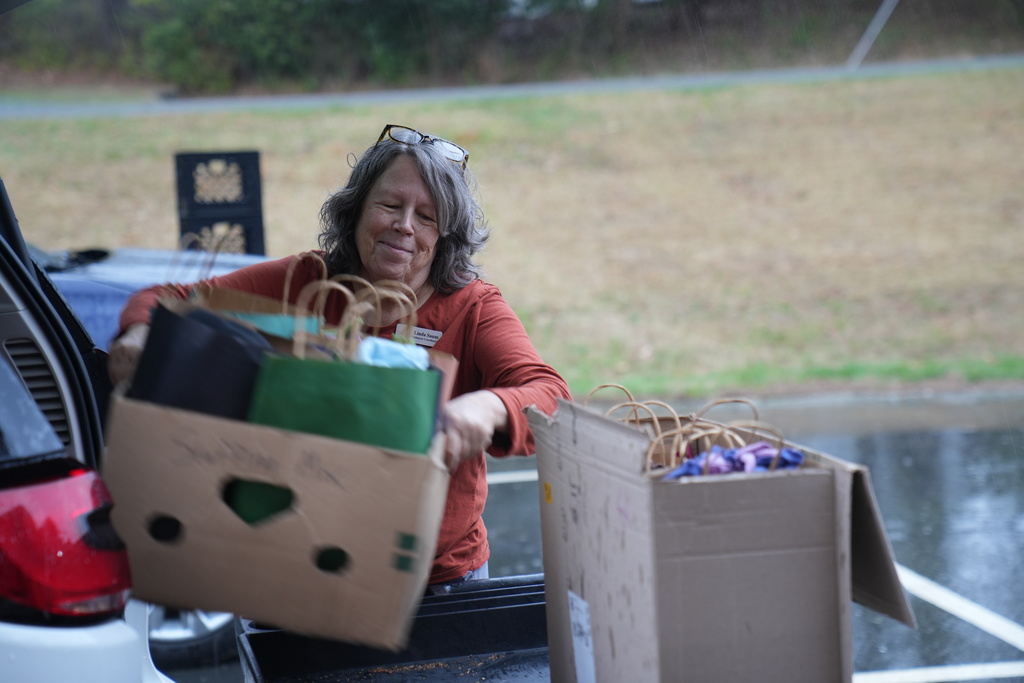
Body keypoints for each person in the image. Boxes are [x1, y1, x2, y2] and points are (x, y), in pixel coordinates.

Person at [108, 123, 572, 590]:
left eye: (426, 217)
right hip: (306, 561)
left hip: (439, 577)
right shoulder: (305, 283)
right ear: (355, 212)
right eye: (390, 205)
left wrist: (488, 406)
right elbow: (167, 298)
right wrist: (140, 332)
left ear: (445, 235)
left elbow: (552, 397)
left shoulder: (473, 308)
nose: (404, 226)